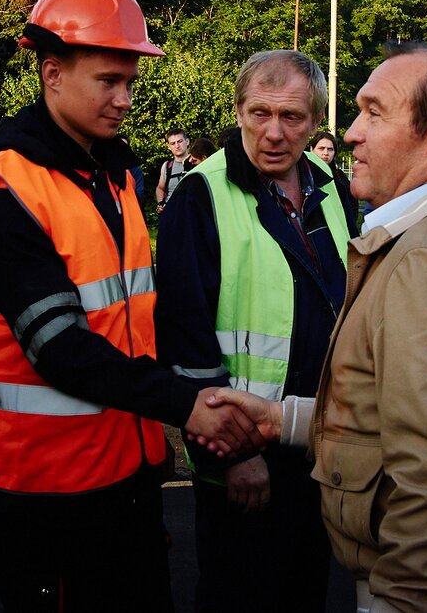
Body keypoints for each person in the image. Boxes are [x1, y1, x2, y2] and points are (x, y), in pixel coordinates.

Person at [203, 41, 427, 611]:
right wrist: (283, 419)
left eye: (374, 112)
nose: (350, 133)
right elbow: (407, 417)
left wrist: (400, 602)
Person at [0, 0, 265, 612]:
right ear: (52, 74)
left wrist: (164, 429)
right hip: (48, 494)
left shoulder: (117, 176)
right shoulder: (4, 193)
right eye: (108, 81)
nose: (125, 99)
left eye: (130, 81)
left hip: (128, 475)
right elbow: (62, 350)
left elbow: (136, 322)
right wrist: (186, 406)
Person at [156, 50, 355, 612]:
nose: (273, 132)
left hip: (317, 442)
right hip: (246, 458)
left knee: (305, 593)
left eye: (291, 117)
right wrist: (229, 458)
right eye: (259, 113)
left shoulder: (330, 183)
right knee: (240, 596)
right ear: (239, 111)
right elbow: (184, 338)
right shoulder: (201, 195)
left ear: (316, 121)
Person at [310, 129, 359, 226]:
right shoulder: (304, 175)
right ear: (312, 149)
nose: (326, 153)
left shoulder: (339, 176)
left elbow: (352, 205)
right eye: (321, 148)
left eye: (330, 149)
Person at [156, 126, 191, 212]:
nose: (177, 146)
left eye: (180, 141)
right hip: (171, 212)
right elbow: (160, 188)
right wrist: (161, 203)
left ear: (187, 141)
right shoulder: (167, 166)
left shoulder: (197, 162)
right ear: (169, 146)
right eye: (173, 143)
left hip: (191, 211)